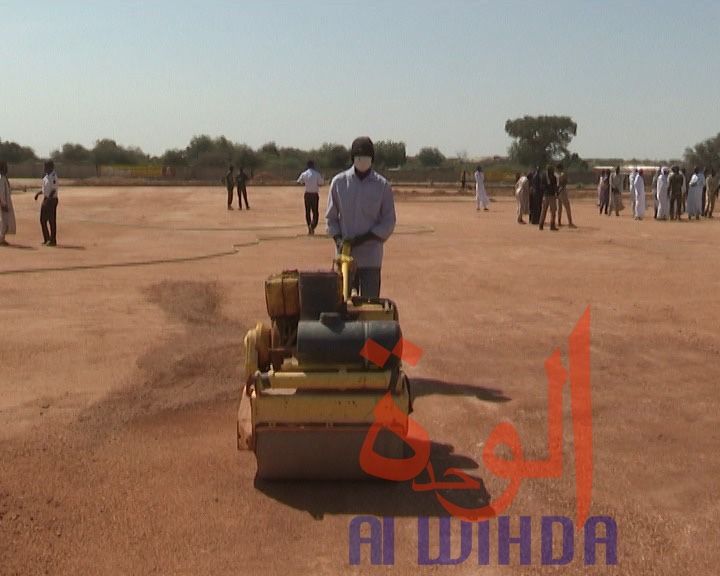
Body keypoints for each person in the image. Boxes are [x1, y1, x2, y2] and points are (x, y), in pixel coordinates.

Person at [326, 136, 396, 299]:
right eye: (358, 155)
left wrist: (365, 238)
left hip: (371, 257)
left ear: (372, 158)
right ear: (352, 158)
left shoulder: (382, 186)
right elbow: (331, 218)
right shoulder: (339, 183)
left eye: (366, 155)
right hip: (344, 258)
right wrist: (338, 240)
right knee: (342, 302)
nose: (362, 159)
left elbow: (388, 221)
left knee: (370, 303)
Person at [34, 161, 59, 246]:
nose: (44, 168)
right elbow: (45, 189)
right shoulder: (45, 177)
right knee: (42, 220)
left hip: (51, 200)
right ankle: (46, 238)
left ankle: (53, 240)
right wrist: (38, 194)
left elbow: (53, 189)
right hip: (46, 199)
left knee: (52, 221)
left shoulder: (53, 176)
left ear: (51, 167)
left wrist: (49, 199)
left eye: (46, 167)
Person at [297, 160, 324, 235]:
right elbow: (321, 183)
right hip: (314, 194)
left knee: (307, 211)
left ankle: (309, 225)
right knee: (315, 212)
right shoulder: (317, 174)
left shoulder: (304, 174)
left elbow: (299, 182)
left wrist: (306, 184)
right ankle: (312, 225)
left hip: (307, 194)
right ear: (313, 165)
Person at [0, 161, 16, 246]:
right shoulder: (1, 178)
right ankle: (1, 239)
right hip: (3, 203)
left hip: (5, 201)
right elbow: (1, 192)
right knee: (3, 220)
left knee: (4, 220)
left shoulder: (3, 178)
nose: (7, 169)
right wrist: (3, 204)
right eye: (5, 167)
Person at [538, 165, 558, 231]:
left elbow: (541, 186)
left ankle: (541, 225)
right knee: (553, 211)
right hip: (551, 195)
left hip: (545, 195)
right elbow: (555, 187)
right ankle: (552, 226)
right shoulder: (553, 177)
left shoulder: (543, 177)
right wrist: (556, 192)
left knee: (543, 211)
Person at [556, 163, 576, 228]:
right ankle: (570, 222)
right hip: (562, 192)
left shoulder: (555, 175)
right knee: (567, 208)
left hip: (557, 192)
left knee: (559, 208)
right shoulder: (562, 175)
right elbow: (563, 183)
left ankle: (559, 222)